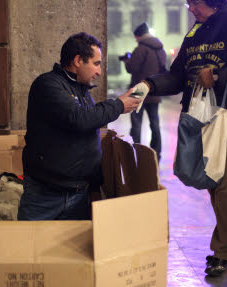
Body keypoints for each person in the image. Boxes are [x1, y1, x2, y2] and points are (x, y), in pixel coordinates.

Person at [132, 0, 227, 276]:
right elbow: (177, 76)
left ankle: (223, 250)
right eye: (188, 3)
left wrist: (219, 76)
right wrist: (149, 84)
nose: (190, 9)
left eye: (194, 3)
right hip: (203, 120)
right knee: (214, 184)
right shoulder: (196, 33)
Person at [17, 32, 140, 221]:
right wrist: (118, 105)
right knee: (31, 249)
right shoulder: (47, 85)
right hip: (45, 197)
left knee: (73, 252)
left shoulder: (82, 92)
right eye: (96, 63)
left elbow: (87, 132)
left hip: (78, 195)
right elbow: (78, 119)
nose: (99, 72)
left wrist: (94, 186)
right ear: (77, 60)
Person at [120, 22, 167, 161]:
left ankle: (135, 151)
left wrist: (126, 60)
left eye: (136, 37)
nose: (136, 40)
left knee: (136, 122)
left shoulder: (141, 49)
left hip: (139, 90)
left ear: (139, 36)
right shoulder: (160, 49)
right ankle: (156, 152)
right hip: (155, 88)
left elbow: (132, 68)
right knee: (155, 122)